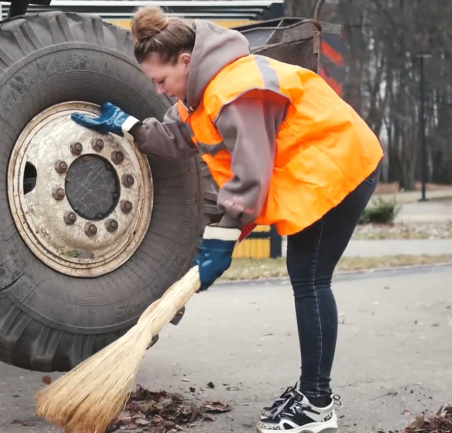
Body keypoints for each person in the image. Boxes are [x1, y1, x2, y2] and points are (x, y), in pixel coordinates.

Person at [71, 5, 383, 433]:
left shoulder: (234, 89)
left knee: (310, 279)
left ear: (185, 61)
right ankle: (313, 389)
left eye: (161, 80)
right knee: (306, 278)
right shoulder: (199, 96)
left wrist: (221, 237)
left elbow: (249, 176)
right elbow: (180, 136)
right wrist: (128, 126)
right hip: (317, 170)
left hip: (340, 166)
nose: (160, 91)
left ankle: (316, 402)